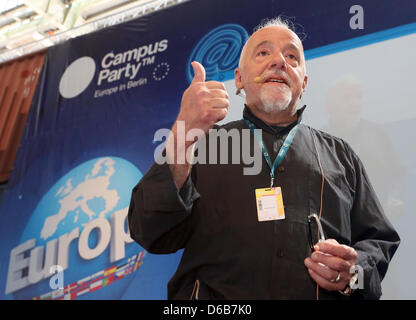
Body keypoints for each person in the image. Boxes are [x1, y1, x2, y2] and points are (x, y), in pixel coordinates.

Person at [128, 17, 400, 300]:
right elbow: (149, 230)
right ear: (239, 79)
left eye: (292, 56)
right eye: (263, 53)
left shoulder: (341, 156)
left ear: (303, 83)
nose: (279, 61)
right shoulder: (201, 146)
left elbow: (379, 242)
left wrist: (352, 275)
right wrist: (184, 129)